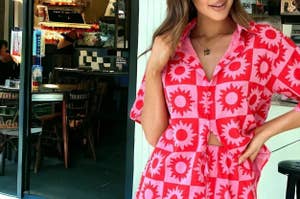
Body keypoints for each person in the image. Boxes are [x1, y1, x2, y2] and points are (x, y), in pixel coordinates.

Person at [130, 0, 300, 198]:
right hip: (169, 180)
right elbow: (153, 135)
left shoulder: (263, 42)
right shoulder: (170, 44)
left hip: (231, 180)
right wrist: (153, 69)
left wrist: (264, 132)